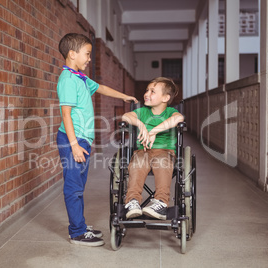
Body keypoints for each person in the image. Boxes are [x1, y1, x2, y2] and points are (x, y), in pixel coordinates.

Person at [56, 33, 137, 246]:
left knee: (79, 185)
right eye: (87, 54)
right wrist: (74, 145)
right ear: (72, 54)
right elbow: (66, 114)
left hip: (82, 140)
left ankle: (79, 225)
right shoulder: (67, 80)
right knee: (73, 187)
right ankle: (77, 233)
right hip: (72, 140)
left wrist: (123, 96)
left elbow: (100, 88)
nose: (90, 59)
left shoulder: (80, 78)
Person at [122, 77, 184, 220]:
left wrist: (153, 131)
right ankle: (132, 202)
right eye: (147, 90)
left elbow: (179, 118)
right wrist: (141, 125)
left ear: (165, 97)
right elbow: (126, 116)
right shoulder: (143, 112)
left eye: (152, 91)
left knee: (162, 164)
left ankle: (161, 202)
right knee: (137, 164)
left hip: (164, 152)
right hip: (142, 151)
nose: (147, 94)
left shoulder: (170, 112)